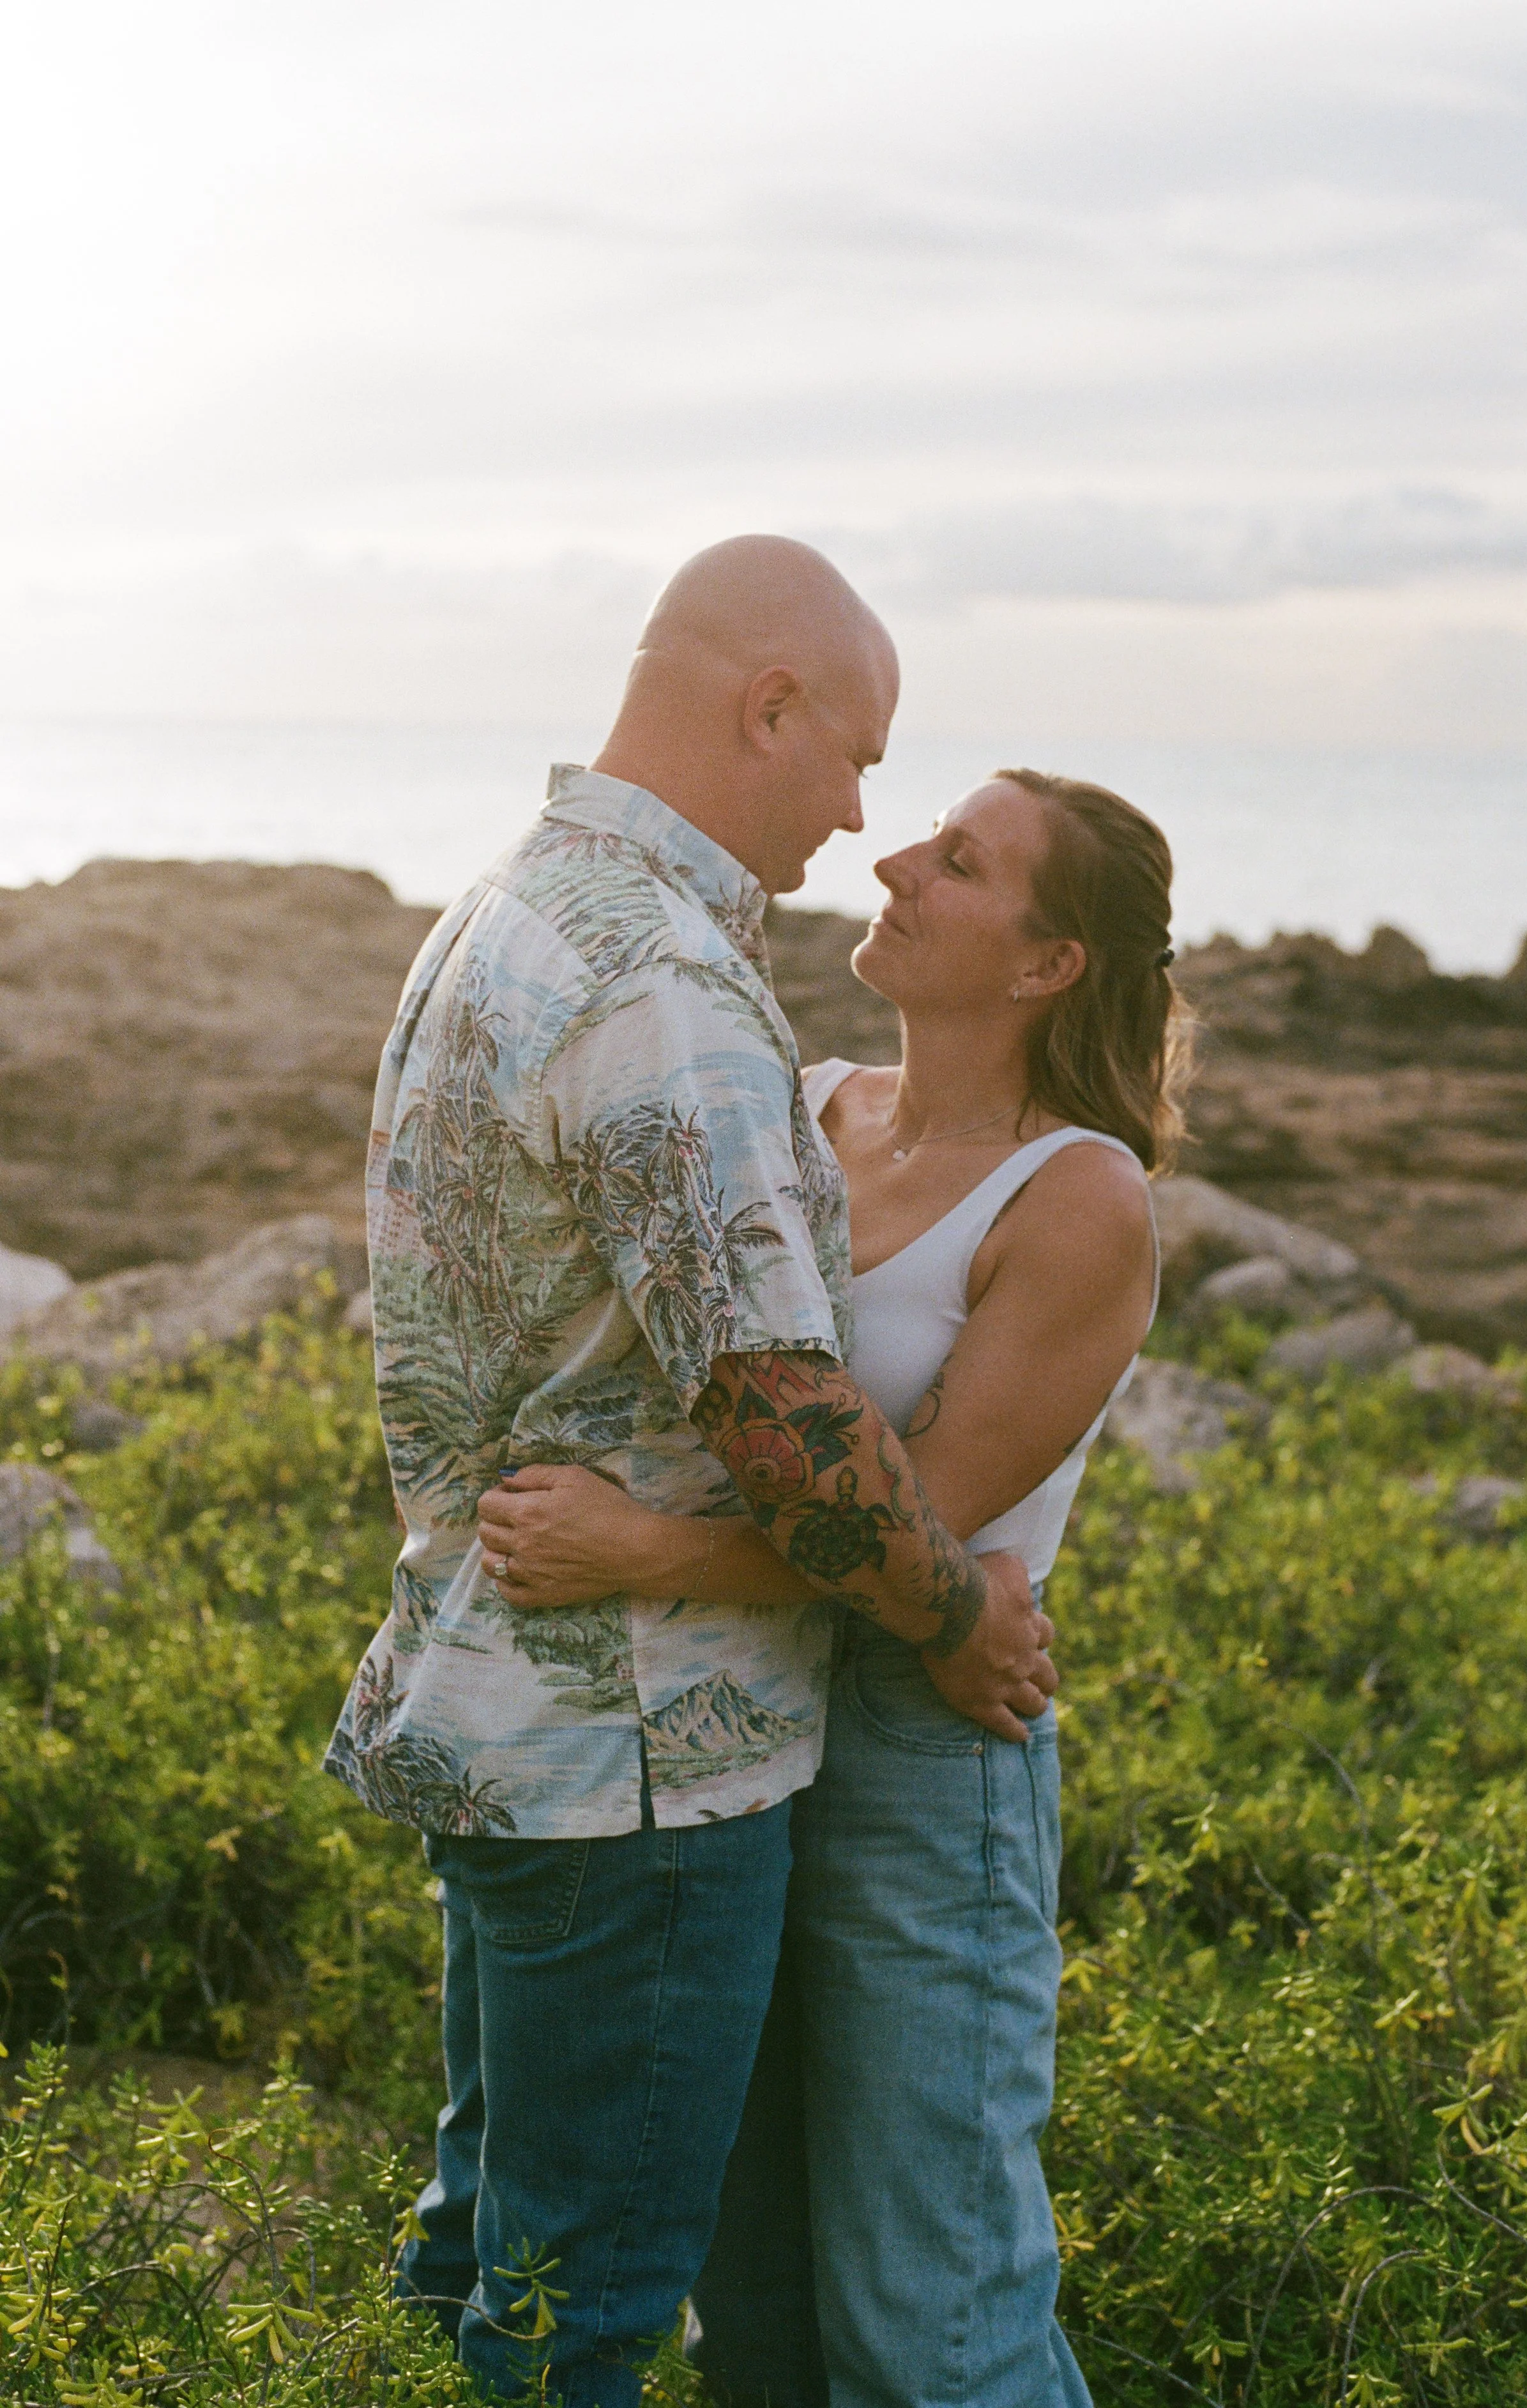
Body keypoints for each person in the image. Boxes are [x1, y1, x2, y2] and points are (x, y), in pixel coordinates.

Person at [323, 535, 1052, 2408]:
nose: (859, 814)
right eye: (854, 756)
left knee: (483, 2256)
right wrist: (958, 1603)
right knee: (588, 2317)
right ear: (767, 706)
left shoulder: (509, 911)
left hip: (502, 1714)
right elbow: (797, 1447)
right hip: (638, 1771)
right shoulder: (669, 992)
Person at [478, 767, 1189, 2407]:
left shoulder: (1080, 1198)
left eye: (958, 860)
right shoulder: (805, 1104)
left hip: (922, 1742)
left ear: (1045, 965)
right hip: (740, 1724)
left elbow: (905, 1526)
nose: (895, 859)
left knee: (932, 2315)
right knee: (760, 2297)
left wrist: (641, 1547)